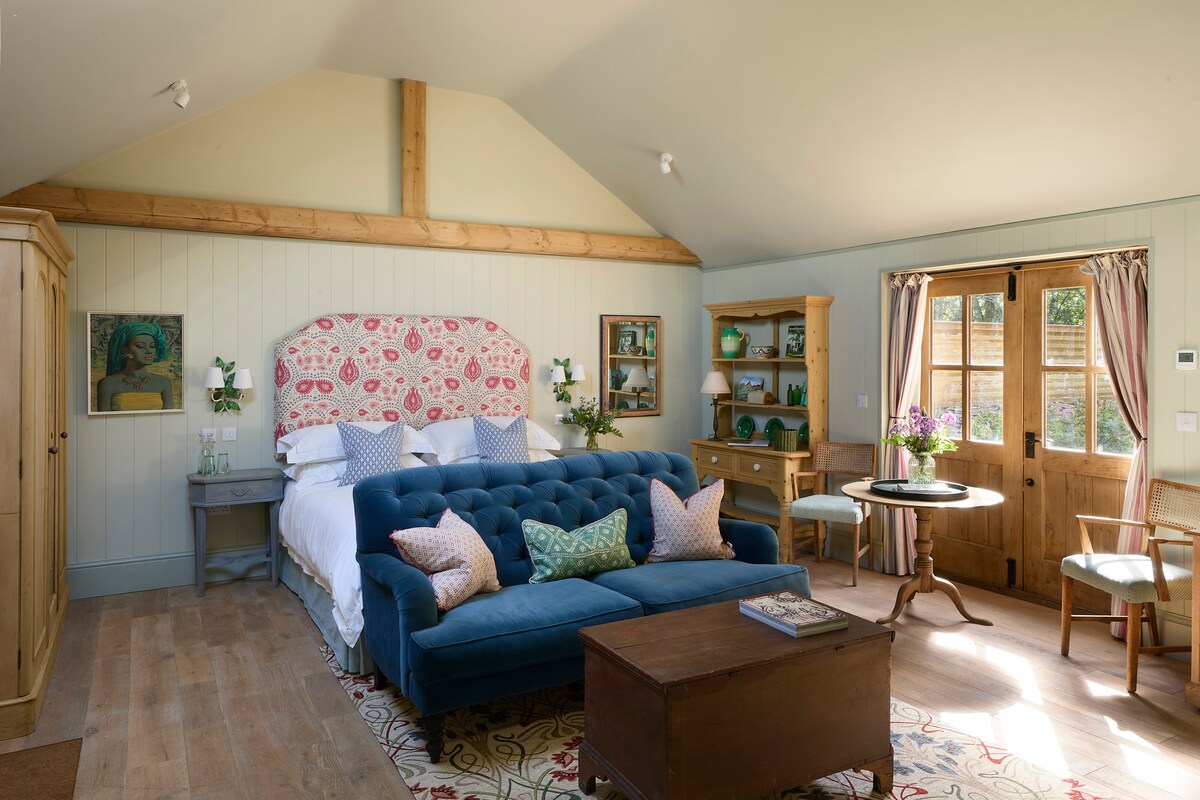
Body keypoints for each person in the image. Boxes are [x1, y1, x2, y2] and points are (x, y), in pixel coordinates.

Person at [97, 321, 174, 411]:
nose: (149, 351)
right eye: (140, 346)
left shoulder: (163, 382)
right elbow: (103, 418)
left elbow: (169, 417)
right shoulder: (108, 383)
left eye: (152, 346)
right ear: (126, 350)